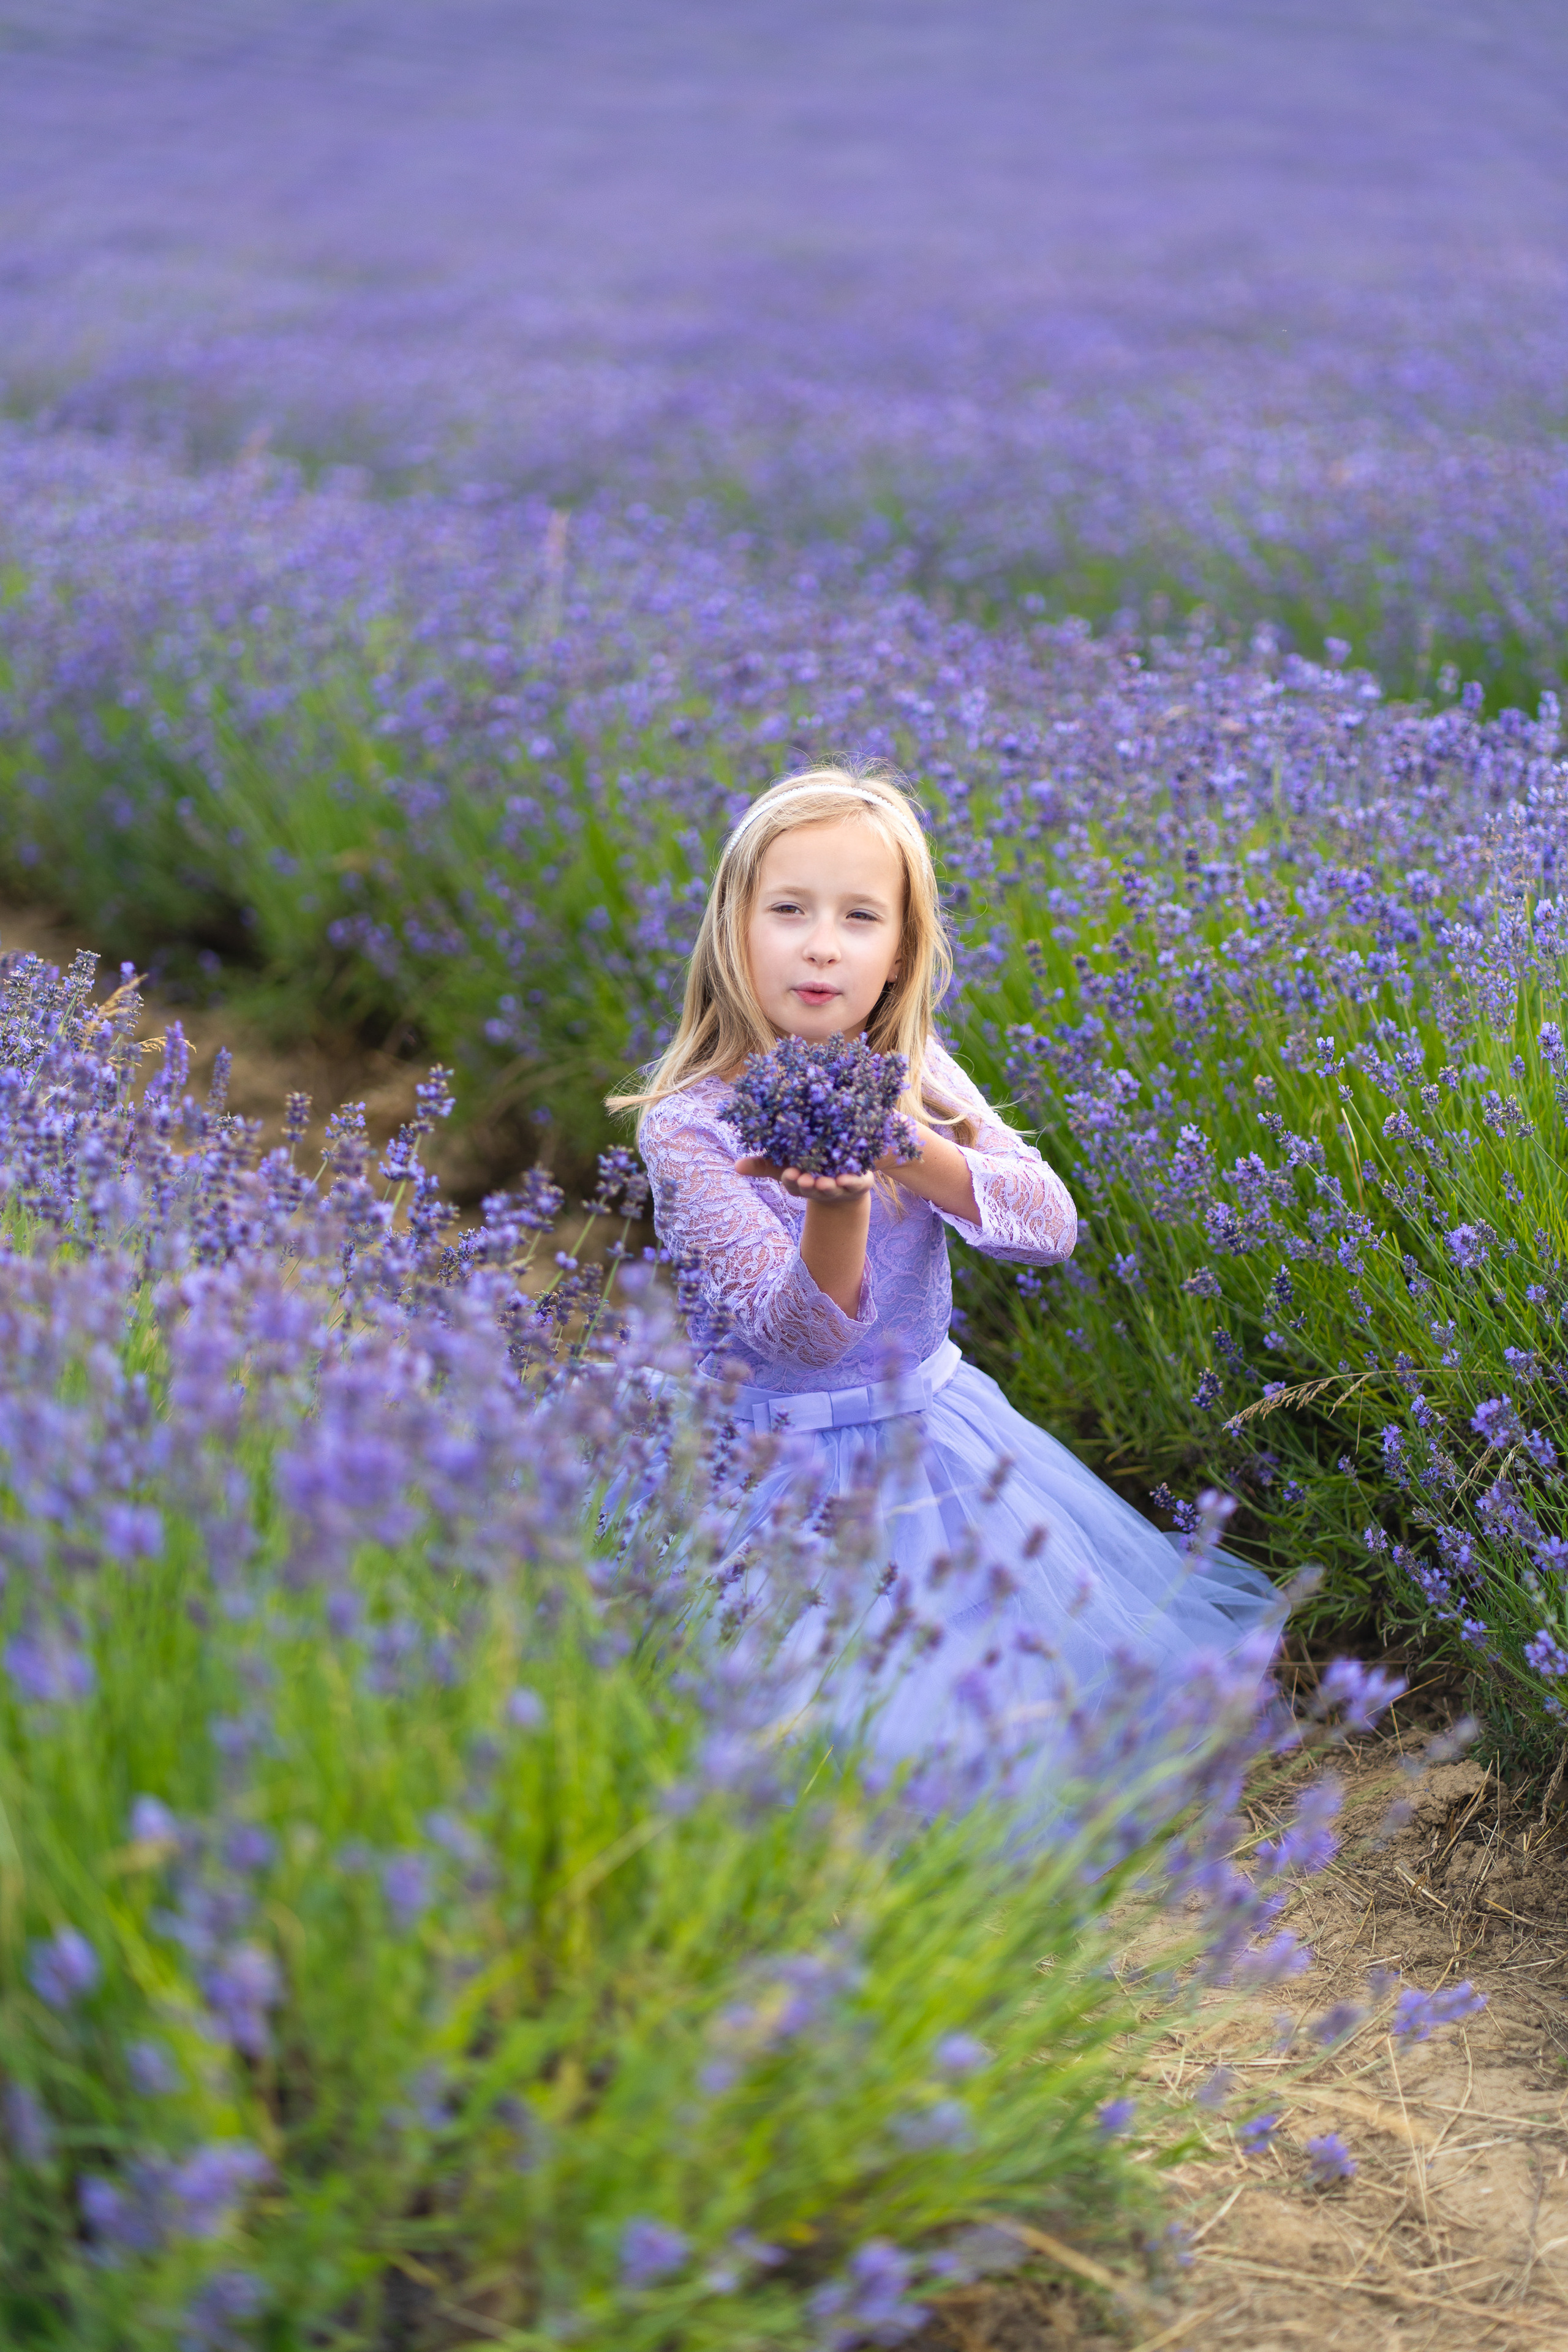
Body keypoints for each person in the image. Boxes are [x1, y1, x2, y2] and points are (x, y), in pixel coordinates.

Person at [609, 765, 1280, 1766]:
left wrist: (904, 1143)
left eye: (860, 917)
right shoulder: (689, 1127)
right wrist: (835, 1209)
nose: (823, 943)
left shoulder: (923, 1074)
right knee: (788, 1737)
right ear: (733, 930)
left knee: (989, 1710)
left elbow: (1047, 1224)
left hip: (935, 1447)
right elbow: (795, 1333)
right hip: (765, 1470)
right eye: (788, 909)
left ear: (899, 956)